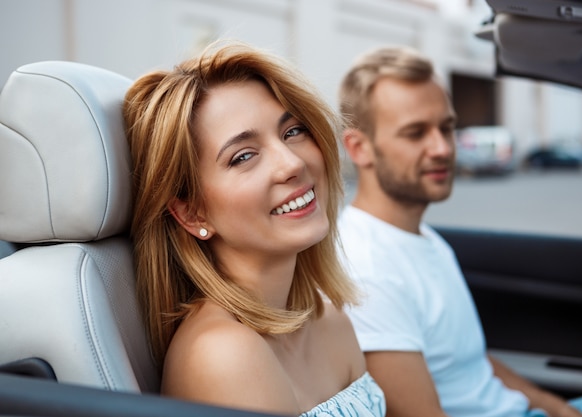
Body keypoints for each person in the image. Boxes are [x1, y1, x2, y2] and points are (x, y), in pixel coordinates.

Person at [337, 45, 582, 417]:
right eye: (415, 133)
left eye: (447, 127)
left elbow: (476, 365)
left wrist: (564, 411)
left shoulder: (426, 239)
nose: (442, 148)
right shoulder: (367, 270)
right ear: (360, 148)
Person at [122, 40, 385, 417]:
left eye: (292, 131)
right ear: (192, 213)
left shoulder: (329, 318)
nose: (291, 163)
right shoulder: (222, 353)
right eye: (243, 156)